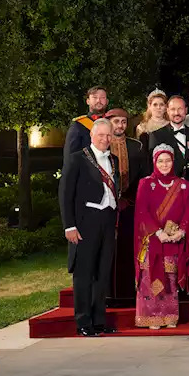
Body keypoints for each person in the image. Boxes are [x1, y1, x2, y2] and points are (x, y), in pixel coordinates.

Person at [60, 118, 122, 336]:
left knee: (102, 273)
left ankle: (99, 320)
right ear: (92, 136)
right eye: (101, 135)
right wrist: (69, 226)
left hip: (107, 221)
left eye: (109, 135)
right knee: (84, 274)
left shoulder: (113, 159)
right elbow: (65, 194)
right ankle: (83, 322)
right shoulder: (77, 159)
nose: (106, 139)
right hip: (85, 222)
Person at [132, 145, 189, 329]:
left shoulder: (183, 184)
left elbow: (188, 211)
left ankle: (169, 316)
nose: (164, 164)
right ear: (154, 162)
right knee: (151, 278)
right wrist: (158, 233)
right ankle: (151, 317)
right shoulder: (145, 183)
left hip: (173, 240)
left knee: (170, 278)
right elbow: (142, 212)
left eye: (168, 160)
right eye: (160, 161)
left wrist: (181, 231)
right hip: (153, 239)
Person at [104, 108, 147, 301]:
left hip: (129, 204)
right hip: (104, 205)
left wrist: (127, 197)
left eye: (123, 122)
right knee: (106, 250)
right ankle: (106, 294)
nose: (120, 125)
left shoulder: (136, 146)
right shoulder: (100, 146)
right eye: (116, 122)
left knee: (128, 248)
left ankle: (127, 294)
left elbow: (143, 176)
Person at [149, 96, 189, 180]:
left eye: (180, 109)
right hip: (168, 188)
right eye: (173, 109)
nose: (176, 113)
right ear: (167, 111)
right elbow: (152, 168)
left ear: (186, 110)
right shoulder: (156, 136)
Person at [64, 86, 109, 158]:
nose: (98, 100)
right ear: (88, 101)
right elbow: (70, 156)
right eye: (94, 97)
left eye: (102, 98)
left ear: (107, 101)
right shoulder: (78, 125)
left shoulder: (111, 123)